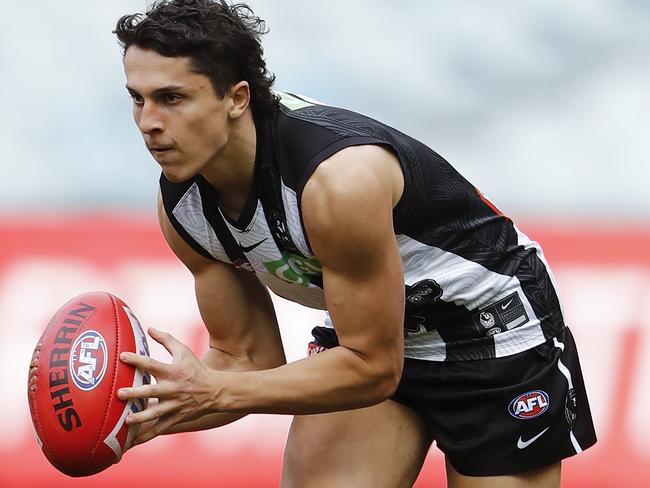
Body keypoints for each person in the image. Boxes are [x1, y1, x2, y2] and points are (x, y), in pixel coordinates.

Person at [113, 1, 596, 486]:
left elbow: (371, 367)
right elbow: (245, 358)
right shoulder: (183, 207)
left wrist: (218, 392)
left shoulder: (337, 181)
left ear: (237, 98)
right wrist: (133, 414)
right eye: (138, 98)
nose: (147, 123)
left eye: (172, 98)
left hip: (487, 328)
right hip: (370, 332)